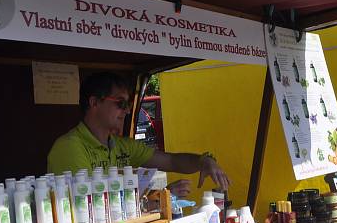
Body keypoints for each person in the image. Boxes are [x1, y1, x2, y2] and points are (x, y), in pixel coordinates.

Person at [47, 72, 230, 196]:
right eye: (121, 103)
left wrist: (204, 160)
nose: (127, 111)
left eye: (128, 104)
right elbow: (92, 206)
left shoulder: (120, 145)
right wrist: (157, 198)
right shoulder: (69, 148)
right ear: (94, 102)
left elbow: (172, 161)